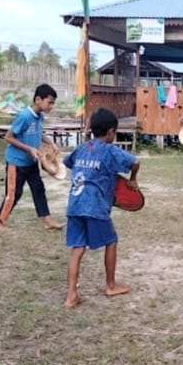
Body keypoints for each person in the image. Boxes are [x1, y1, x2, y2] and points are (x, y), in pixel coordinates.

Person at [63, 108, 140, 308]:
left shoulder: (81, 148)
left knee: (77, 249)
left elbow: (67, 162)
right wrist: (132, 180)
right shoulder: (110, 150)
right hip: (95, 205)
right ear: (110, 132)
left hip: (75, 203)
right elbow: (135, 162)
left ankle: (71, 295)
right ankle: (111, 285)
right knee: (111, 241)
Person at [0, 84, 65, 232]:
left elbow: (39, 132)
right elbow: (9, 137)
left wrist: (51, 143)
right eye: (49, 102)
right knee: (14, 193)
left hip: (31, 162)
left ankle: (47, 220)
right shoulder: (25, 116)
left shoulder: (40, 116)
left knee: (39, 189)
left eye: (53, 103)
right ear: (38, 100)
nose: (51, 106)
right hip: (16, 162)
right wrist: (29, 149)